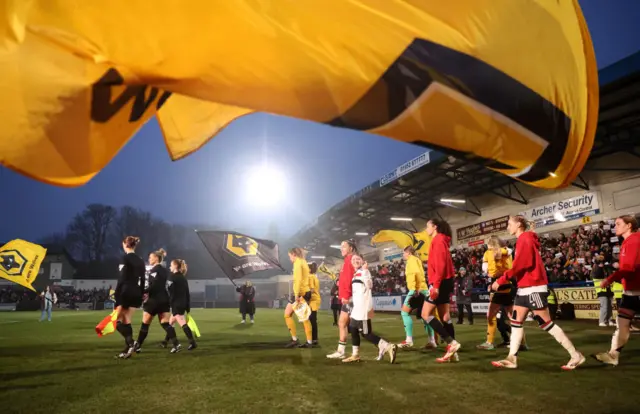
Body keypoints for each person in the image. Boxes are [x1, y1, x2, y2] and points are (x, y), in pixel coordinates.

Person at [491, 216, 585, 370]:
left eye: (509, 224)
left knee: (546, 324)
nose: (508, 227)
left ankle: (575, 355)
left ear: (519, 225)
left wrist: (501, 280)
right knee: (515, 321)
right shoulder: (524, 239)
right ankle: (511, 357)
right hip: (524, 288)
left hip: (534, 287)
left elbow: (522, 264)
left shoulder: (525, 238)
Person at [593, 215, 640, 366]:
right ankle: (613, 355)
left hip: (636, 290)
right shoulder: (629, 241)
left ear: (629, 226)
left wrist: (609, 279)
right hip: (631, 292)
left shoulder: (633, 241)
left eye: (619, 224)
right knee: (622, 323)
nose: (615, 227)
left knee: (622, 324)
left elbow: (628, 268)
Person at [420, 218, 461, 363]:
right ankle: (453, 354)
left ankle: (452, 343)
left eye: (428, 226)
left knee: (425, 314)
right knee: (445, 317)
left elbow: (441, 264)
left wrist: (435, 285)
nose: (426, 229)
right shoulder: (442, 240)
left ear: (435, 227)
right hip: (445, 281)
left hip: (440, 282)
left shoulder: (437, 240)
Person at [343, 254, 397, 363]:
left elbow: (369, 285)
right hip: (356, 309)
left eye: (358, 259)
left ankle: (387, 346)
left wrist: (366, 273)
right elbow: (358, 291)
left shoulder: (364, 272)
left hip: (362, 309)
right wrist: (350, 300)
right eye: (353, 259)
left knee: (366, 333)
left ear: (362, 261)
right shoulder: (355, 274)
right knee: (353, 329)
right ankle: (355, 355)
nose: (355, 260)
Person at [478, 236, 516, 350]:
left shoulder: (489, 253)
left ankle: (489, 342)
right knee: (512, 317)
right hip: (509, 283)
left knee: (490, 316)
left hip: (498, 284)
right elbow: (510, 253)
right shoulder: (507, 251)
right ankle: (521, 342)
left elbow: (485, 270)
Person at [133, 248, 175, 353]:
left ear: (156, 258)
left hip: (153, 300)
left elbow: (153, 285)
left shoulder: (154, 270)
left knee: (145, 324)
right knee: (166, 324)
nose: (149, 259)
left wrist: (143, 291)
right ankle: (176, 344)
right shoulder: (165, 270)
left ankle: (138, 345)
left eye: (150, 257)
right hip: (164, 299)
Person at [398, 246, 437, 349]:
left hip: (416, 290)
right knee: (425, 316)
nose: (403, 255)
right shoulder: (417, 260)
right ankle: (432, 341)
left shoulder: (412, 260)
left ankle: (409, 340)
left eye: (404, 253)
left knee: (404, 313)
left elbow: (415, 273)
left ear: (408, 253)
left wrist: (414, 289)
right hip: (423, 289)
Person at [113, 236, 146, 359]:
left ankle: (132, 343)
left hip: (125, 291)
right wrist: (142, 293)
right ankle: (128, 350)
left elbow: (122, 277)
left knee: (116, 321)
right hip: (136, 292)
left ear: (125, 245)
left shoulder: (124, 258)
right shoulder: (141, 260)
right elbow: (143, 279)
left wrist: (116, 292)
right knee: (127, 320)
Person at [327, 239, 357, 359]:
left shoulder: (353, 259)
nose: (341, 249)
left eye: (343, 246)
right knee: (342, 323)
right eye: (341, 246)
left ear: (351, 248)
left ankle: (384, 345)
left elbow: (354, 279)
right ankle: (341, 351)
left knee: (361, 329)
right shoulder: (346, 261)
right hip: (347, 299)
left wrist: (349, 296)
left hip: (351, 299)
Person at [283, 247, 314, 348]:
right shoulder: (303, 261)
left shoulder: (297, 263)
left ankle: (304, 341)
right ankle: (299, 340)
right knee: (289, 314)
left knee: (302, 318)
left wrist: (296, 294)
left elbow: (298, 280)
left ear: (294, 254)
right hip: (305, 291)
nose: (290, 258)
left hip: (301, 293)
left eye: (290, 256)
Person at [168, 259, 197, 352]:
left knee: (182, 323)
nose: (170, 267)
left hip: (176, 304)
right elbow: (187, 293)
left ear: (175, 266)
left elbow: (171, 293)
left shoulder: (172, 277)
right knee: (170, 324)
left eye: (171, 265)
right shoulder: (183, 278)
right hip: (182, 303)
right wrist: (187, 306)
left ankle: (192, 343)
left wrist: (169, 303)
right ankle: (166, 342)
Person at [591, 256, 614, 327]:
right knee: (604, 306)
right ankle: (602, 321)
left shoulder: (605, 268)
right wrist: (600, 267)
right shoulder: (595, 269)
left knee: (610, 306)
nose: (602, 263)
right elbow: (598, 275)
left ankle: (609, 320)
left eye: (602, 261)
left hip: (608, 289)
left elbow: (609, 273)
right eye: (600, 262)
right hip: (601, 290)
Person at [308, 262, 321, 346]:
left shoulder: (310, 277)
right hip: (315, 300)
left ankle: (312, 339)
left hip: (312, 300)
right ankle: (314, 339)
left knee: (311, 321)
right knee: (313, 321)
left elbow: (311, 290)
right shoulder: (314, 276)